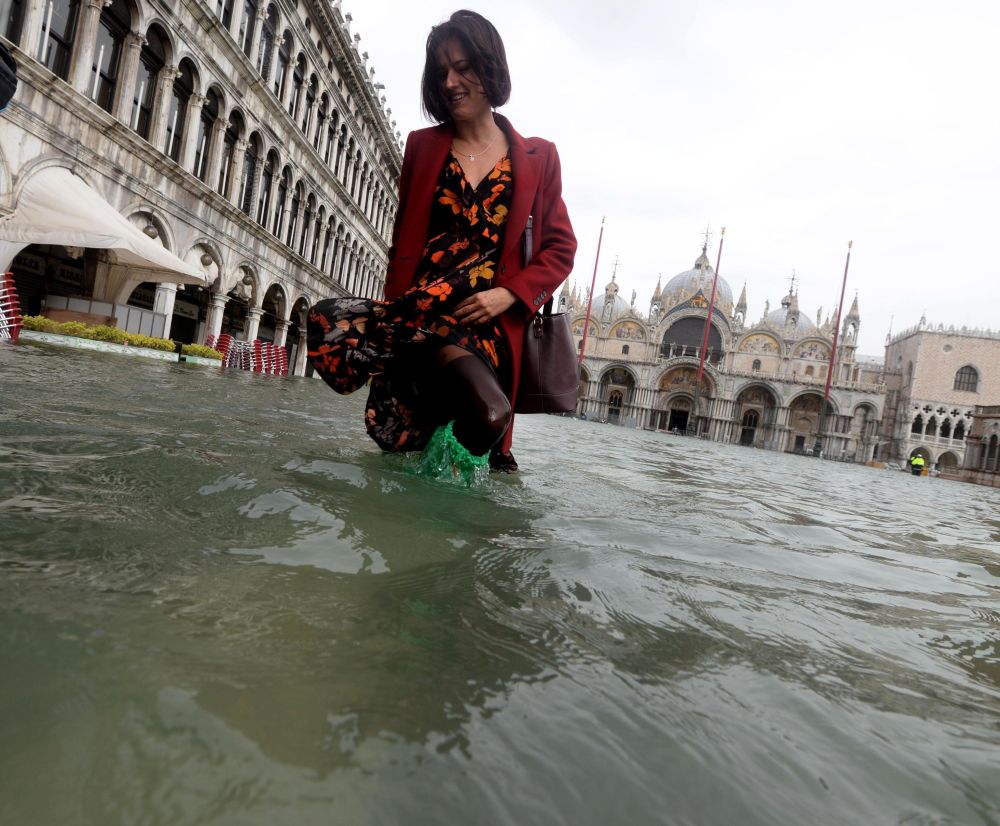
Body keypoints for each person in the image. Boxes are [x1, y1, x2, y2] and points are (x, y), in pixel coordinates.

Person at [307, 10, 576, 477]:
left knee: (487, 423)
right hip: (426, 316)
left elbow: (560, 247)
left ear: (489, 67)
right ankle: (431, 492)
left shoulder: (539, 155)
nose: (451, 82)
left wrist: (508, 293)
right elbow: (404, 240)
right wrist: (396, 311)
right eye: (441, 72)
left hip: (489, 322)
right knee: (487, 414)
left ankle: (438, 497)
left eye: (463, 67)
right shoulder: (422, 146)